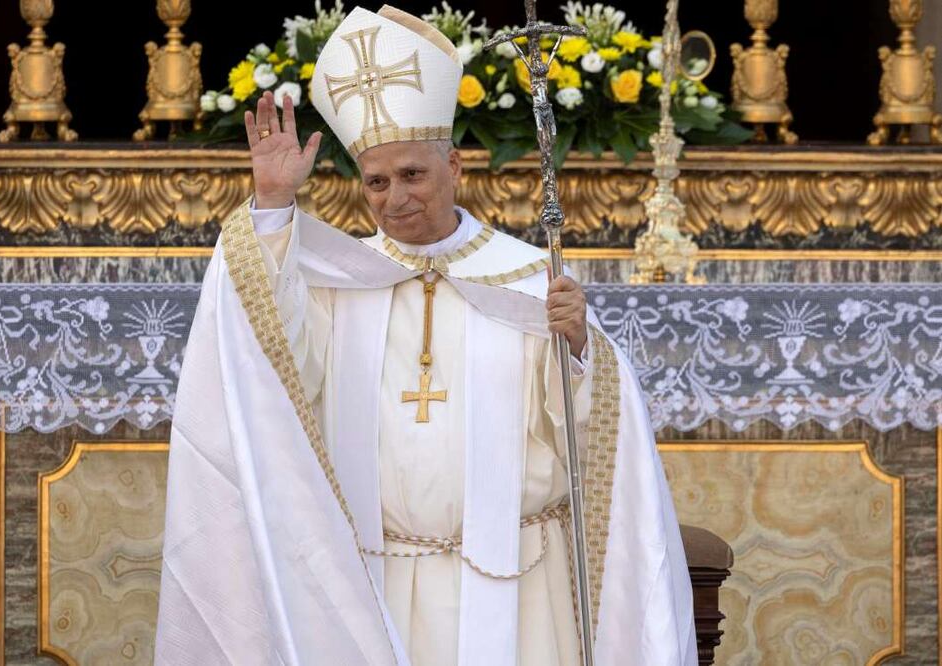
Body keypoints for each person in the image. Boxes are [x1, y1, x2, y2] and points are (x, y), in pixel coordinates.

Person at [154, 5, 696, 665]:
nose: (393, 198)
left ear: (455, 167)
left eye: (411, 175)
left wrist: (579, 350)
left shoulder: (527, 278)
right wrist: (272, 205)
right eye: (376, 182)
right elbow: (267, 365)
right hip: (371, 582)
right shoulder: (336, 281)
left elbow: (593, 435)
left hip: (518, 586)